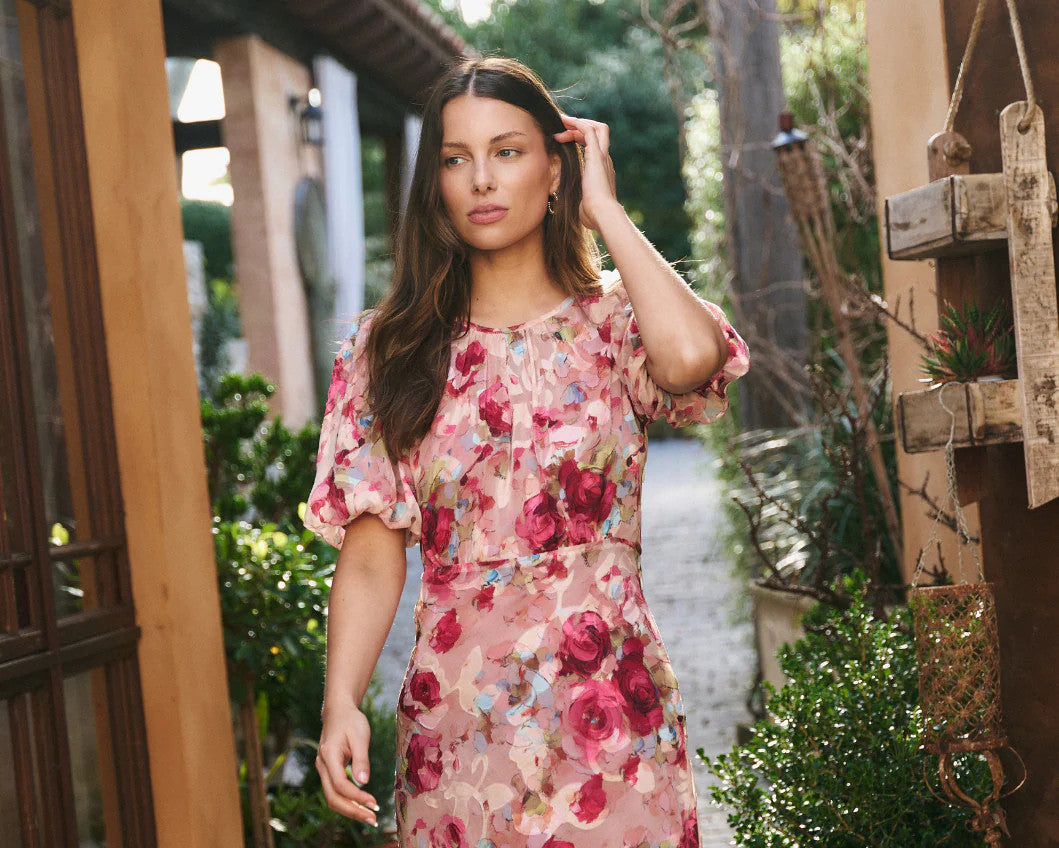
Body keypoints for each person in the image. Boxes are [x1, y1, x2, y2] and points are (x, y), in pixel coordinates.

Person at [304, 55, 750, 848]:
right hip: (459, 733)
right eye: (455, 158)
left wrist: (605, 210)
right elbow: (373, 552)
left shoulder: (615, 324)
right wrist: (340, 702)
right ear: (434, 184)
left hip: (613, 721)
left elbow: (689, 359)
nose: (480, 179)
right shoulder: (391, 350)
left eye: (506, 151)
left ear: (556, 169)